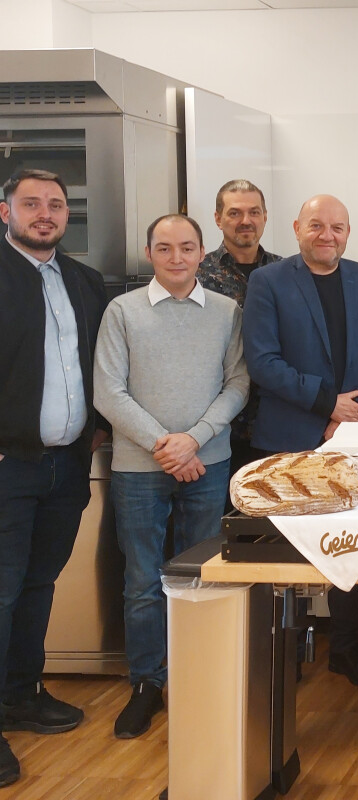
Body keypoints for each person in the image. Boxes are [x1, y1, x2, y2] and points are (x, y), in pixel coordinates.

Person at [94, 214, 248, 738]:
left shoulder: (226, 311)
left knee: (203, 578)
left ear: (202, 253)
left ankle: (198, 676)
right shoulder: (122, 311)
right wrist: (167, 445)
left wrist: (195, 439)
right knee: (142, 583)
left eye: (186, 248)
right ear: (149, 253)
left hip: (208, 463)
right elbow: (108, 392)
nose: (176, 257)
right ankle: (147, 684)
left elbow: (238, 385)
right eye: (165, 248)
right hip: (140, 468)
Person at [243, 195, 358, 689]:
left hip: (353, 435)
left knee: (348, 546)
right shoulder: (267, 281)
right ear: (296, 228)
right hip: (288, 436)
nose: (326, 235)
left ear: (348, 232)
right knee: (281, 549)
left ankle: (346, 647)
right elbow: (263, 362)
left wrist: (355, 410)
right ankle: (279, 653)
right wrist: (327, 404)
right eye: (316, 225)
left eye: (336, 227)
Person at [0, 169, 109, 789]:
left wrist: (94, 427)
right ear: (5, 210)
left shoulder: (83, 281)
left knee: (39, 585)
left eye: (57, 205)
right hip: (9, 466)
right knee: (2, 593)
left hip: (65, 464)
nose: (45, 214)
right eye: (32, 204)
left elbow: (97, 363)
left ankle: (21, 694)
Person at [196, 179, 281, 477]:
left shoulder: (287, 274)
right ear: (218, 218)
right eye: (234, 213)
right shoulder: (195, 275)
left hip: (275, 424)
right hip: (213, 430)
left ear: (265, 216)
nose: (246, 221)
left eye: (254, 212)